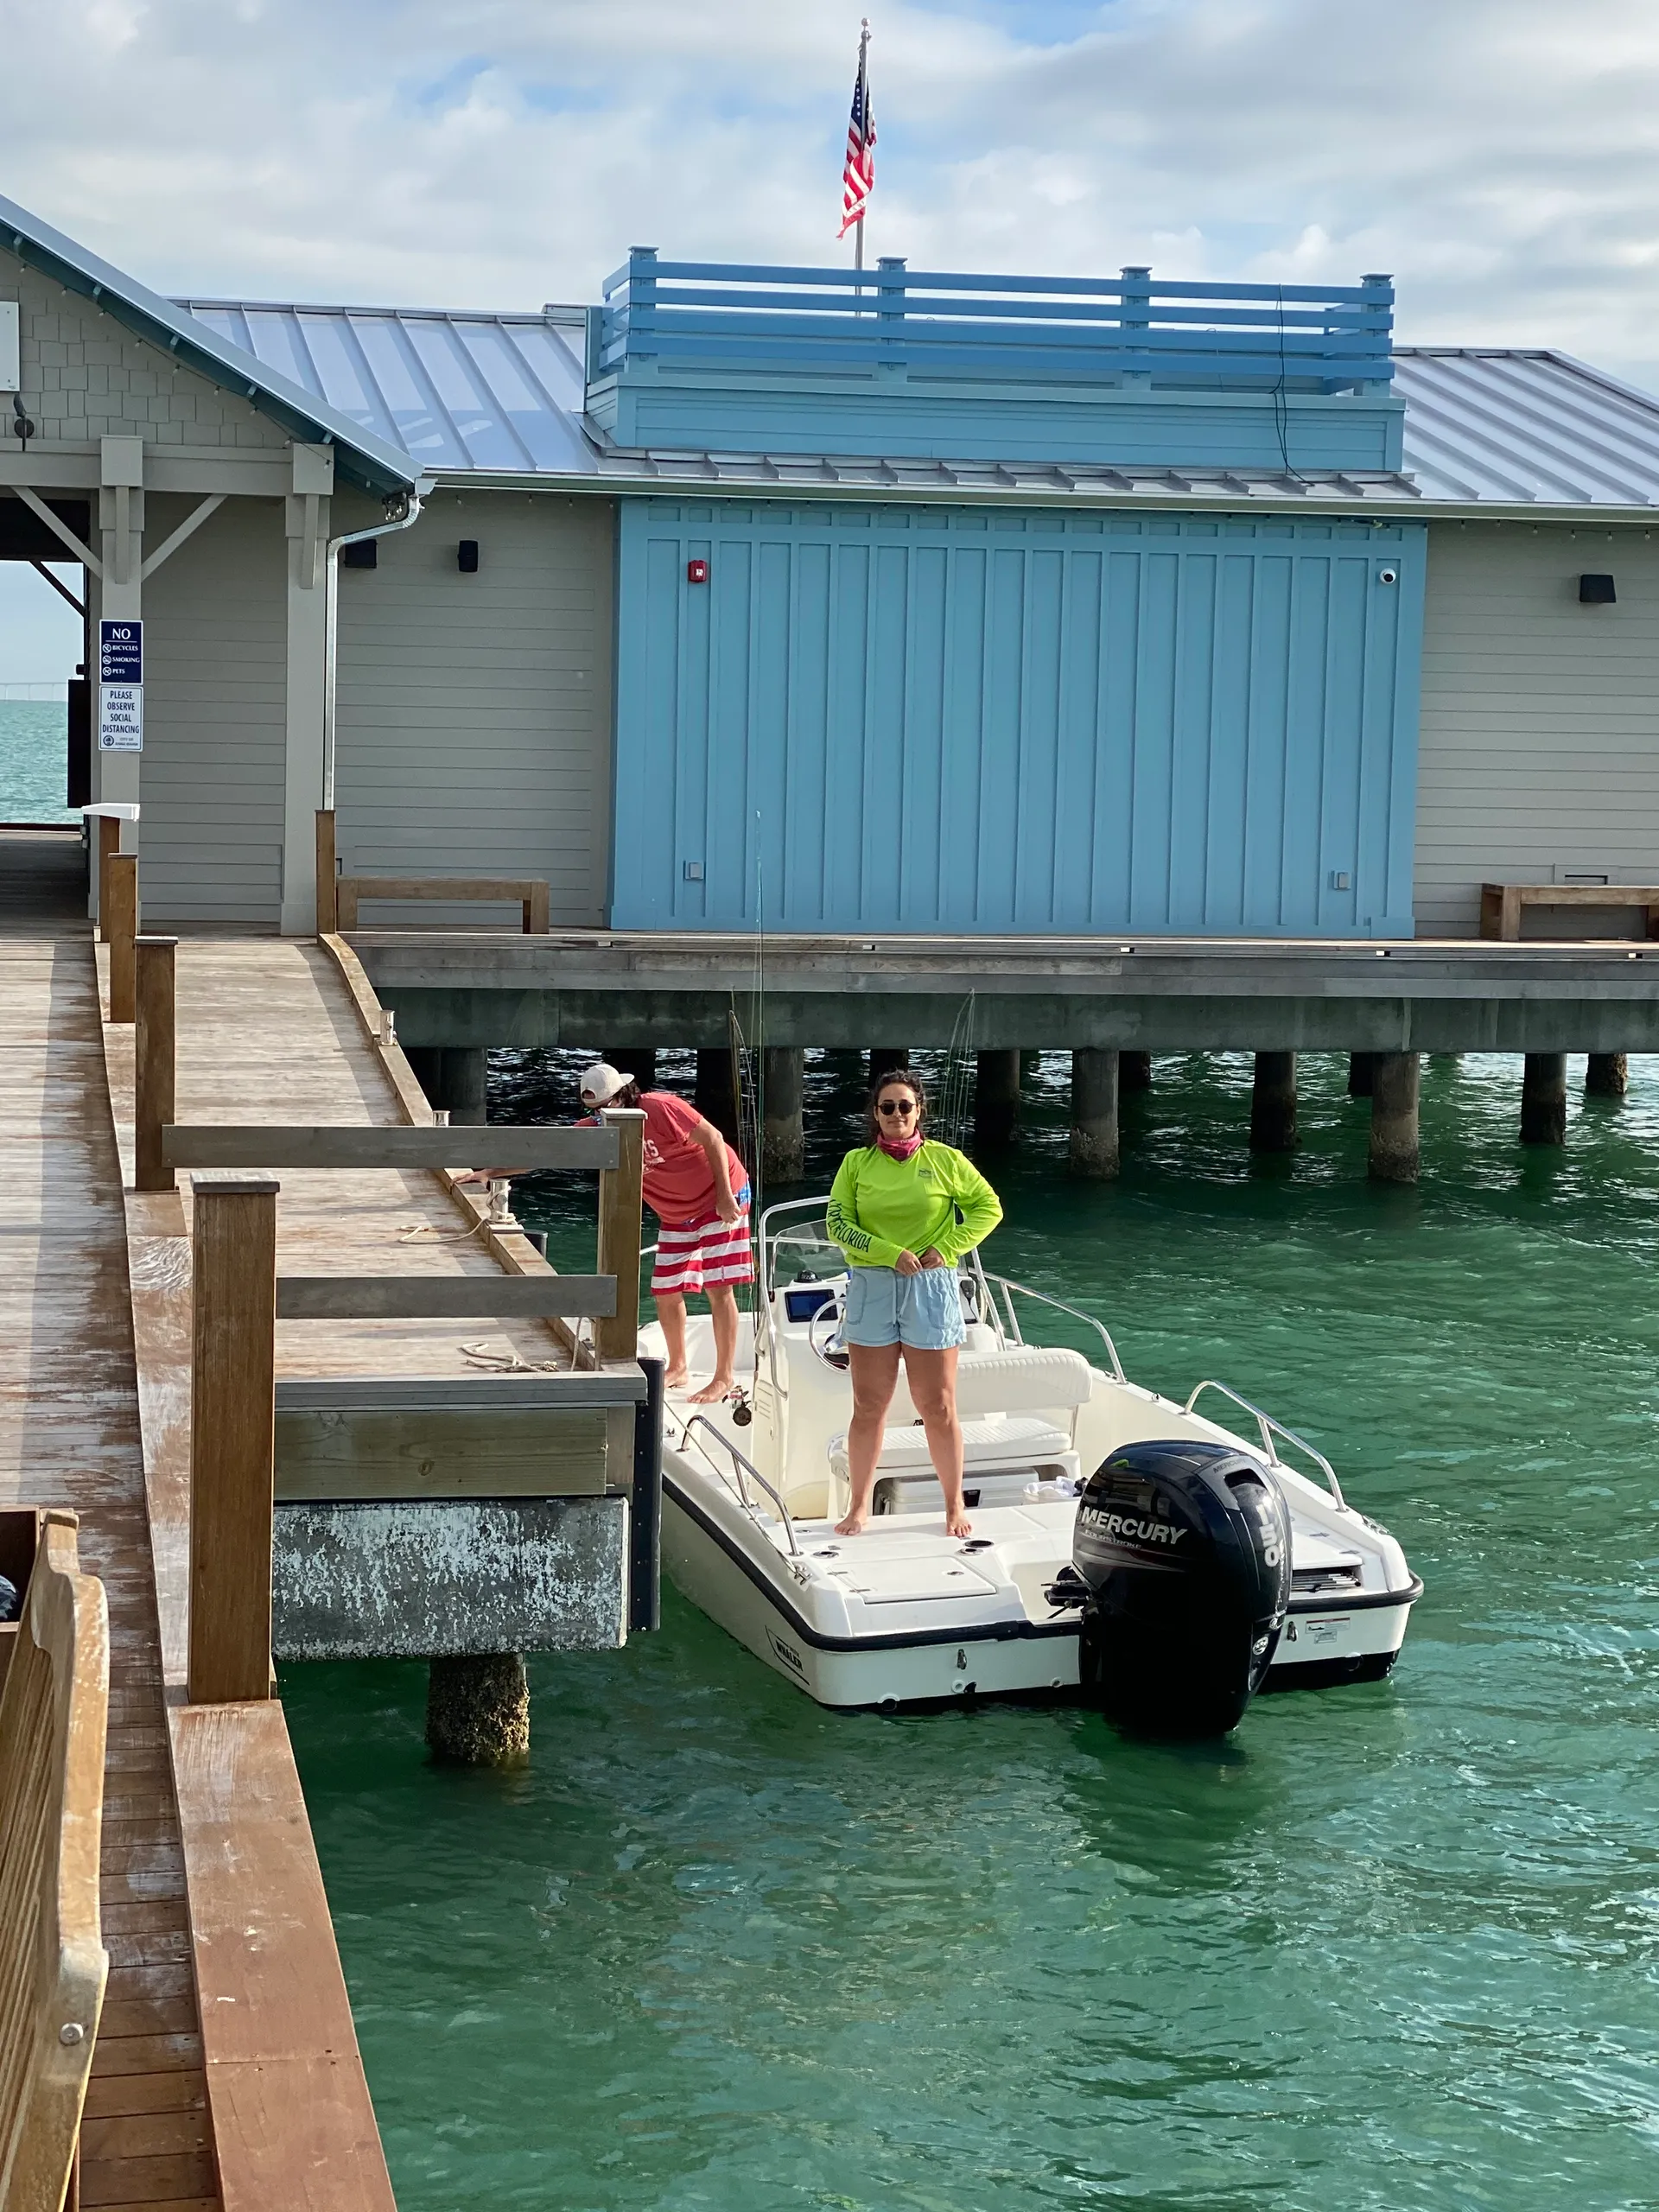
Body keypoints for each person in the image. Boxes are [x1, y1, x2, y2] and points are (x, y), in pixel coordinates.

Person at [825, 1067, 1002, 1538]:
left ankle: (953, 1506)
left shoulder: (946, 1160)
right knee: (869, 1406)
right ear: (876, 1114)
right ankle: (858, 1505)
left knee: (938, 1406)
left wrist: (947, 1249)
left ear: (919, 1110)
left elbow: (989, 1208)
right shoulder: (855, 1164)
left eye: (906, 1106)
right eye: (888, 1107)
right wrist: (889, 1253)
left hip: (931, 1288)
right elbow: (837, 1225)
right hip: (872, 1288)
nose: (897, 1114)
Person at [578, 1063, 752, 1404]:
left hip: (721, 1197)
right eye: (593, 1112)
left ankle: (724, 1376)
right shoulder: (600, 1127)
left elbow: (713, 1138)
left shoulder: (660, 1107)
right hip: (677, 1213)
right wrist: (489, 1171)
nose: (599, 1117)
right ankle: (679, 1365)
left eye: (604, 1108)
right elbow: (550, 1149)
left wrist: (724, 1196)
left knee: (719, 1287)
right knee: (665, 1289)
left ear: (623, 1096)